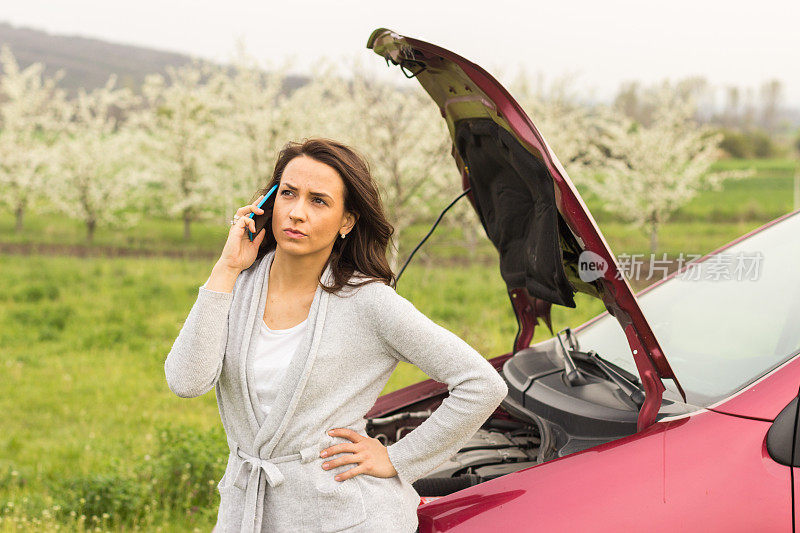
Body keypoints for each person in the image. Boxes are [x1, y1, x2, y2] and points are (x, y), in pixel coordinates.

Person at [164, 138, 508, 532]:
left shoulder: (369, 302)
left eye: (319, 201)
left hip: (345, 516)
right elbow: (186, 381)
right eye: (288, 194)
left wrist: (397, 459)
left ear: (347, 221)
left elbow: (480, 383)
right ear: (267, 203)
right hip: (248, 514)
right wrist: (225, 269)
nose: (296, 213)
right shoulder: (237, 285)